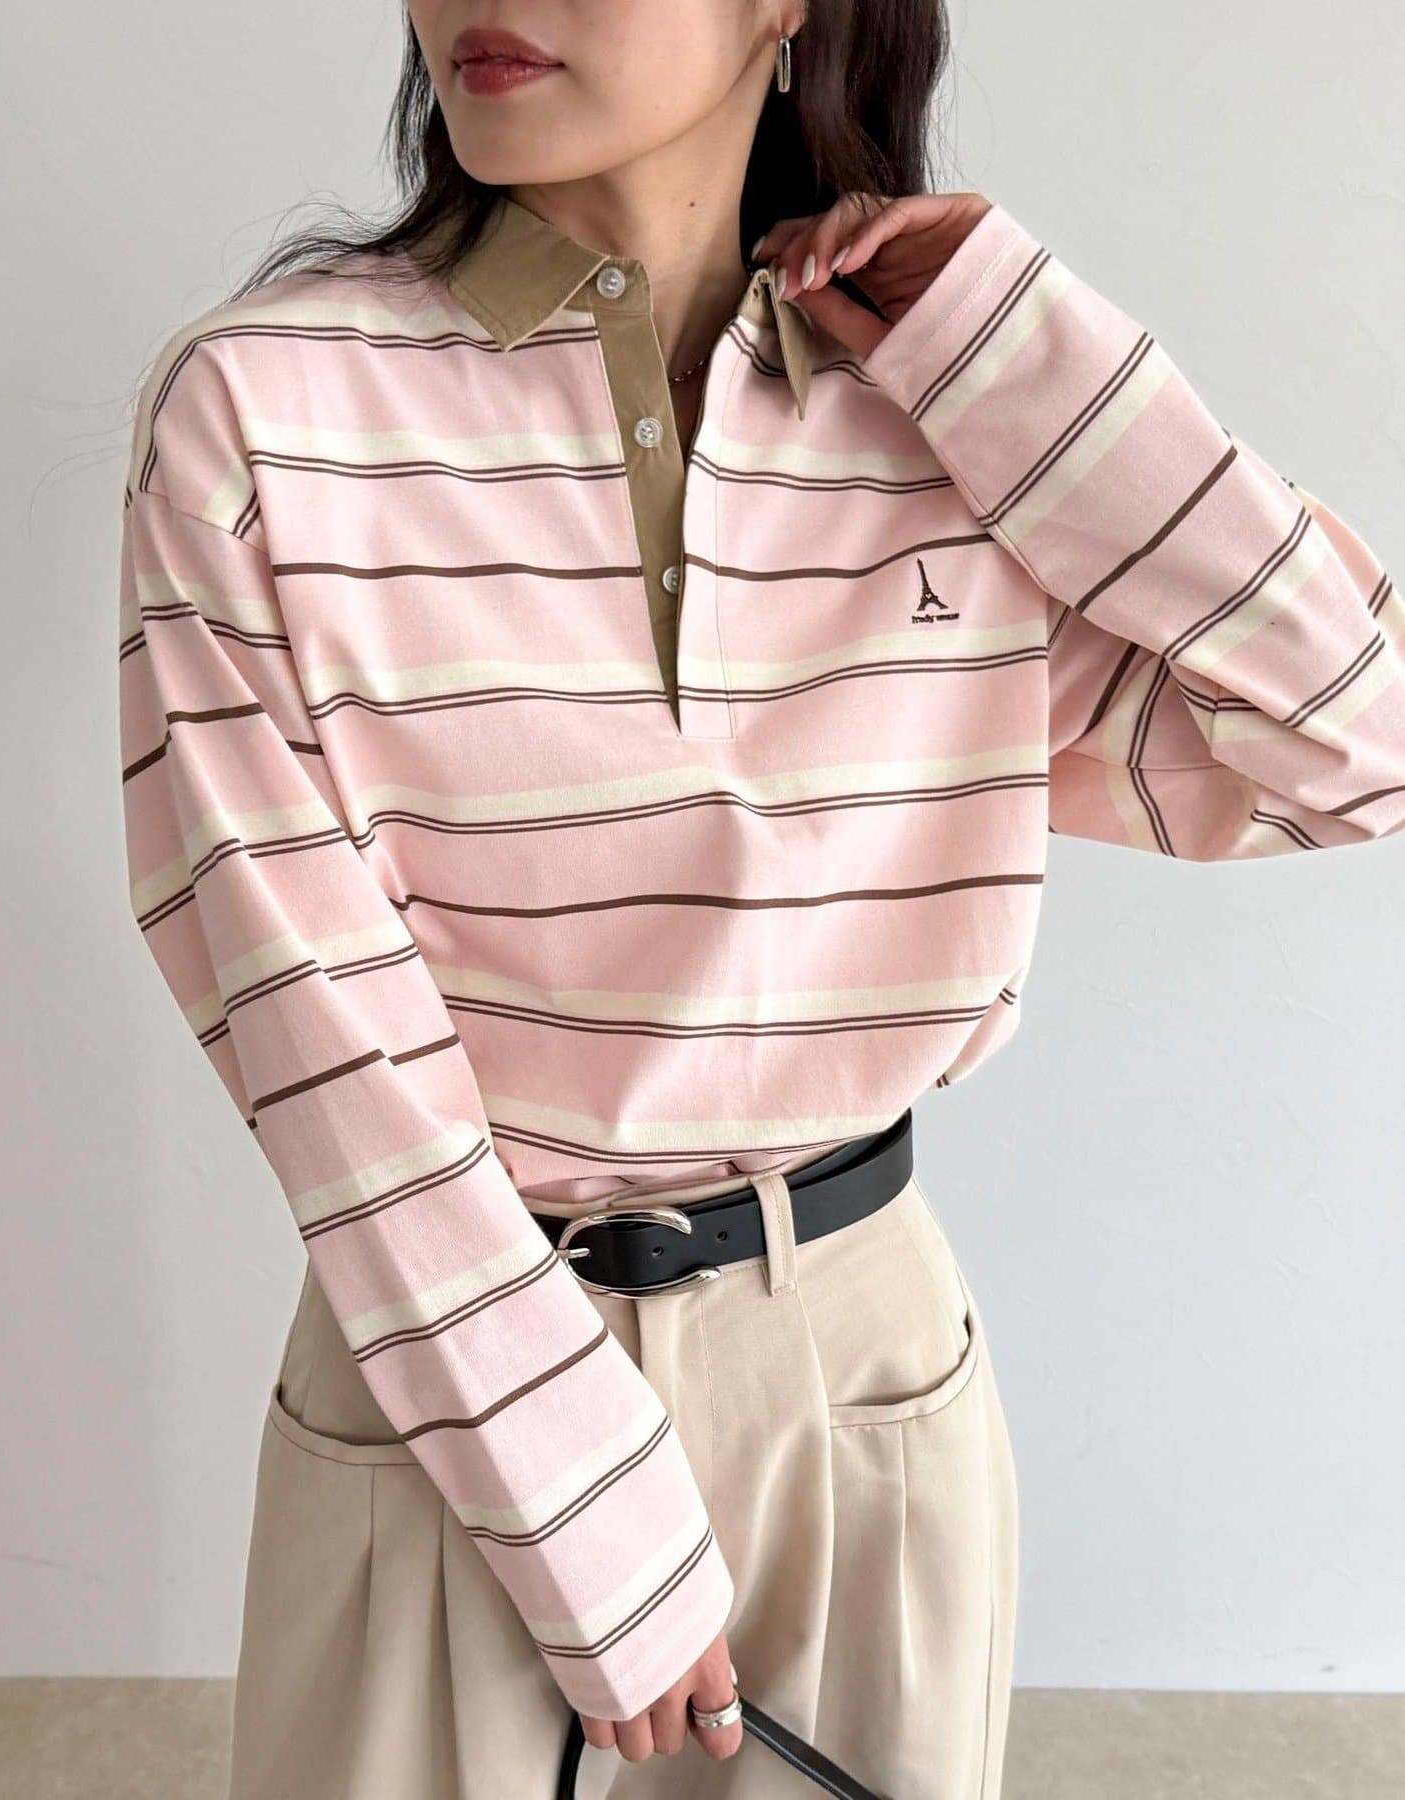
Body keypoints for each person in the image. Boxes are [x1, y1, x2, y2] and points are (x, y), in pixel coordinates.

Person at [115, 3, 1404, 1796]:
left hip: (859, 1376)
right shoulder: (265, 412)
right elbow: (314, 1027)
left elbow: (1354, 741)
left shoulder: (961, 410)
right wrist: (582, 1512)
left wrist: (1019, 344)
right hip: (444, 1382)